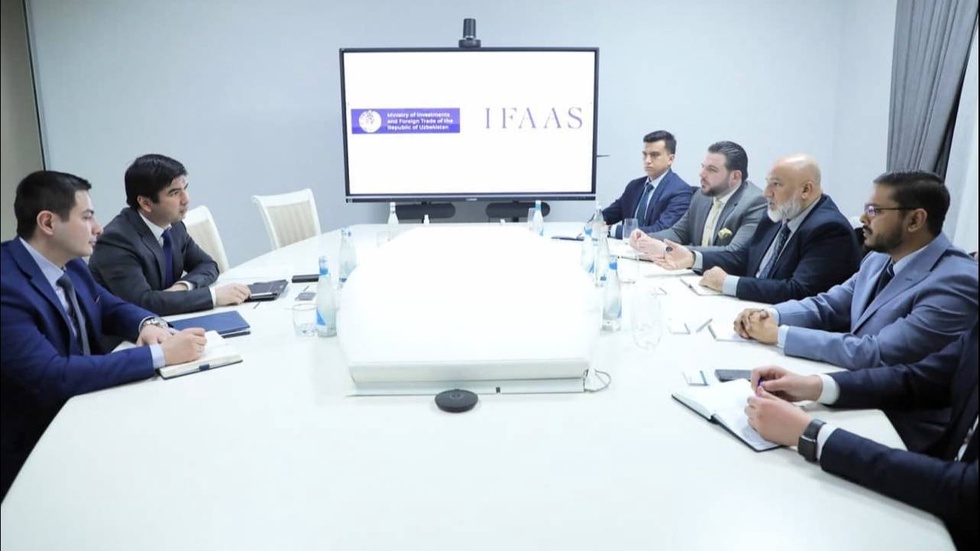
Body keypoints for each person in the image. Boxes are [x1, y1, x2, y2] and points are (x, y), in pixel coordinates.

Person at [1, 170, 207, 499]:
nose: (98, 228)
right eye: (87, 217)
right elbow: (51, 375)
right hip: (35, 446)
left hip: (90, 405)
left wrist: (146, 324)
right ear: (48, 223)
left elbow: (108, 305)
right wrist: (160, 355)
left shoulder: (69, 262)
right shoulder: (7, 286)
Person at [745, 320, 978, 550]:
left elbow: (965, 491)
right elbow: (917, 380)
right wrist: (814, 386)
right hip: (928, 509)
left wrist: (813, 434)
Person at [734, 170, 977, 369]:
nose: (862, 218)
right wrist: (770, 315)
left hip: (897, 409)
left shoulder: (956, 281)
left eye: (874, 211)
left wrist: (780, 334)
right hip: (854, 383)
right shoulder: (879, 258)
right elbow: (829, 305)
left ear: (915, 220)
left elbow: (879, 352)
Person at [651, 154, 860, 303]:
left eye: (776, 184)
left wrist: (728, 283)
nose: (766, 192)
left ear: (806, 189)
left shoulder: (829, 230)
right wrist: (692, 258)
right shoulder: (778, 214)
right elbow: (744, 256)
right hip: (750, 308)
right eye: (767, 183)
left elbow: (799, 291)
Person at [88, 154, 250, 316]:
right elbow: (142, 303)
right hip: (127, 329)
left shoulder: (174, 225)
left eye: (185, 189)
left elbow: (208, 265)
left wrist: (182, 287)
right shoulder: (115, 240)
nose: (186, 199)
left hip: (168, 319)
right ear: (145, 203)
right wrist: (213, 296)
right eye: (174, 193)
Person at [629, 140, 766, 258]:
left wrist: (668, 250)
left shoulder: (754, 202)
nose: (702, 174)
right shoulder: (701, 196)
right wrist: (646, 237)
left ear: (735, 177)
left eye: (712, 170)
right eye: (703, 167)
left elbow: (733, 252)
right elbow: (677, 233)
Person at [600, 130, 693, 238]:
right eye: (645, 155)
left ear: (670, 159)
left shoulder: (680, 191)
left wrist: (611, 230)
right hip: (625, 247)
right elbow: (610, 213)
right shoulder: (634, 186)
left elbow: (662, 229)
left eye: (654, 155)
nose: (647, 160)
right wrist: (596, 221)